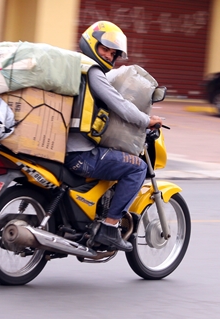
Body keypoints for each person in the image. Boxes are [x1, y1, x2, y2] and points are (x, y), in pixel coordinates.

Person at [64, 21, 163, 252]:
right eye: (104, 49)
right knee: (137, 168)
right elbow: (120, 105)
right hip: (80, 155)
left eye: (113, 52)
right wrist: (147, 120)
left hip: (64, 149)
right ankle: (110, 227)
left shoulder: (75, 67)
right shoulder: (93, 72)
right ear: (91, 43)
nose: (109, 55)